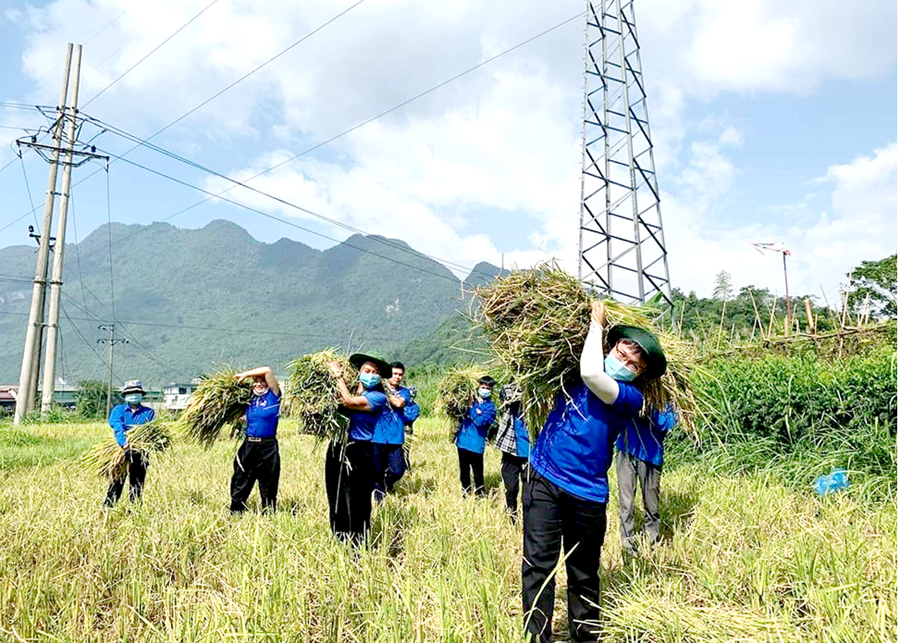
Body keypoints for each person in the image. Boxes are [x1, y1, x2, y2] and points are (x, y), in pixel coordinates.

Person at [522, 301, 668, 643]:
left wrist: (596, 322)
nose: (626, 363)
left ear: (640, 374)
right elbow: (571, 365)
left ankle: (585, 638)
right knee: (537, 566)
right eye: (622, 353)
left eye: (634, 364)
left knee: (584, 573)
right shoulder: (570, 370)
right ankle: (535, 637)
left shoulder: (628, 396)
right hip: (543, 476)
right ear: (610, 348)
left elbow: (593, 373)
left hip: (587, 493)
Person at [326, 353, 392, 545]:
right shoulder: (351, 388)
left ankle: (359, 544)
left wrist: (337, 376)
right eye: (367, 371)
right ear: (359, 372)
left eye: (375, 373)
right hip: (338, 448)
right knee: (336, 495)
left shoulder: (378, 397)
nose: (371, 375)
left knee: (358, 499)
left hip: (360, 452)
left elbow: (348, 402)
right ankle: (340, 539)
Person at [616, 406, 677, 557]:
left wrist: (647, 408)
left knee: (651, 506)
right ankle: (628, 547)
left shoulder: (666, 398)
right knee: (626, 504)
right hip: (626, 450)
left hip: (651, 455)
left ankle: (652, 543)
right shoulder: (629, 391)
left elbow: (666, 424)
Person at [229, 366, 281, 514]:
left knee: (269, 481)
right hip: (249, 444)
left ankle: (269, 514)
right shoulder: (248, 400)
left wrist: (245, 374)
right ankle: (236, 512)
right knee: (242, 478)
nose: (258, 384)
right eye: (255, 381)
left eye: (261, 381)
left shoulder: (274, 396)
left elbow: (268, 370)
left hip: (268, 446)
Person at [372, 362, 420, 501]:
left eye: (400, 374)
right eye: (394, 374)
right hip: (378, 436)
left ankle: (388, 483)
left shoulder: (404, 392)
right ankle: (379, 497)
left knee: (398, 470)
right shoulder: (376, 390)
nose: (397, 377)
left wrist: (384, 393)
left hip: (395, 437)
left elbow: (399, 403)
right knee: (378, 470)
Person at [104, 379, 156, 506]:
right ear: (125, 395)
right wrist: (123, 442)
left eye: (136, 392)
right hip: (121, 451)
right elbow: (117, 426)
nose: (133, 395)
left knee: (137, 483)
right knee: (116, 482)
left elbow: (148, 431)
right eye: (131, 392)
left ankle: (134, 511)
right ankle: (108, 510)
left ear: (141, 395)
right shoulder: (118, 410)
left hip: (140, 453)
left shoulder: (148, 412)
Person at [455, 375, 497, 497]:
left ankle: (481, 496)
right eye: (482, 387)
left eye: (487, 388)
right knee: (464, 472)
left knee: (478, 473)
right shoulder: (469, 400)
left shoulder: (491, 407)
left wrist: (472, 409)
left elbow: (480, 422)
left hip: (477, 444)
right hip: (462, 442)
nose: (484, 390)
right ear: (478, 386)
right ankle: (465, 494)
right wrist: (476, 411)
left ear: (491, 390)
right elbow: (459, 411)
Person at [494, 379, 530, 520]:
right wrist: (523, 389)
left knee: (529, 491)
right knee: (511, 487)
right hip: (511, 451)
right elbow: (506, 392)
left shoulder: (539, 406)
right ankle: (511, 515)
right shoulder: (511, 399)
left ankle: (529, 518)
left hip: (530, 454)